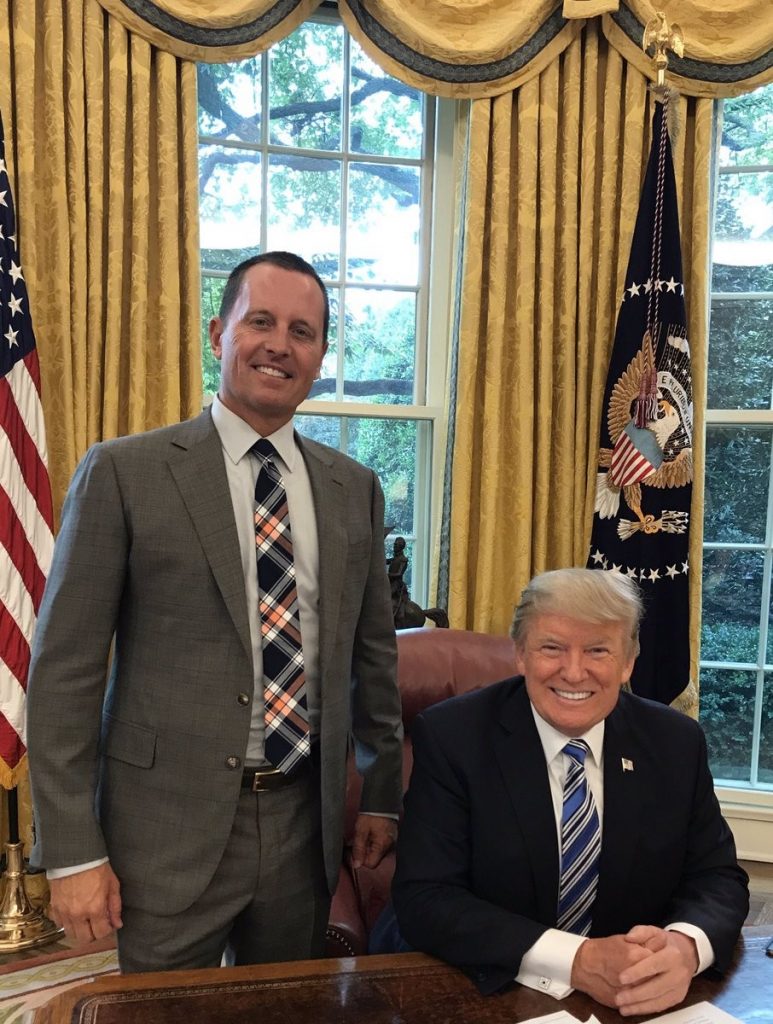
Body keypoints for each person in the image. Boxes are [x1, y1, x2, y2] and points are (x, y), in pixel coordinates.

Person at [27, 250, 403, 972]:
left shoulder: (352, 488)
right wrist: (72, 850)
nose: (279, 345)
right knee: (162, 1016)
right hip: (163, 829)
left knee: (284, 1010)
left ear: (320, 356)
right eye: (259, 322)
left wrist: (381, 796)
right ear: (217, 333)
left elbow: (373, 658)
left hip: (303, 826)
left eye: (302, 331)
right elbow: (66, 672)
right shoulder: (125, 472)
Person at [391, 568, 748, 1018]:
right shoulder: (453, 736)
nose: (574, 672)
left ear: (628, 662)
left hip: (629, 996)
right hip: (484, 985)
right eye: (552, 648)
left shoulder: (675, 742)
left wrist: (684, 947)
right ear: (520, 655)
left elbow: (717, 876)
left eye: (598, 650)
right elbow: (426, 897)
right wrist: (575, 960)